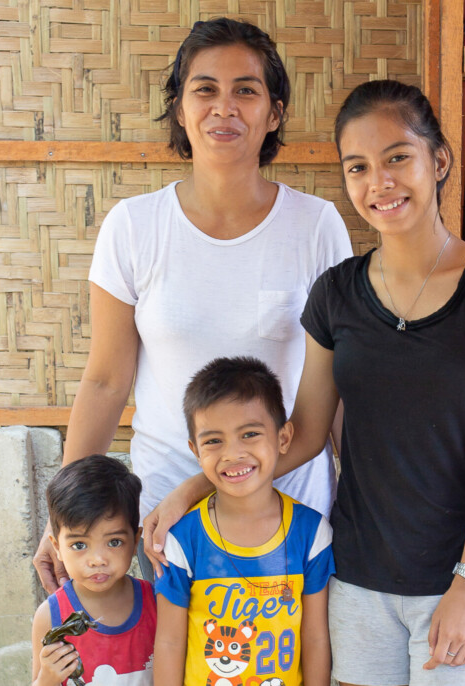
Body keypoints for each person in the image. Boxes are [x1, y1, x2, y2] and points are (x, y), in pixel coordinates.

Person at [148, 79, 465, 685]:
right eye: (358, 167)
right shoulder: (335, 294)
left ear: (438, 160)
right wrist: (190, 492)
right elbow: (302, 434)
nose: (379, 183)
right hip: (358, 576)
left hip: (464, 576)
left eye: (397, 158)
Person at [32, 17, 352, 592]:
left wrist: (363, 498)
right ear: (179, 108)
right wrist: (66, 519)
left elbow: (336, 384)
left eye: (245, 91)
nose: (223, 107)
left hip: (289, 517)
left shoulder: (315, 225)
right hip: (168, 520)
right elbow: (106, 381)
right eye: (204, 89)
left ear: (274, 112)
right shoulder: (134, 227)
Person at [153, 356, 333, 686]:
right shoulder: (182, 540)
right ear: (195, 450)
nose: (233, 453)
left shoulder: (311, 533)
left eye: (249, 434)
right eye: (213, 440)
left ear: (283, 438)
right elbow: (168, 642)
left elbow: (317, 639)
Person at [31, 454, 156, 686]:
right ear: (57, 547)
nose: (97, 560)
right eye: (79, 545)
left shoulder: (156, 603)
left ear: (136, 540)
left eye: (114, 542)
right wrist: (46, 679)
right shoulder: (51, 616)